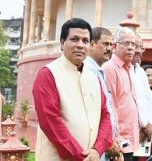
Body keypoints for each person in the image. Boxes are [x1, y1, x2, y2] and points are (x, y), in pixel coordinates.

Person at [32, 18, 112, 161]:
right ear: (62, 43)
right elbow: (50, 121)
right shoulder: (48, 74)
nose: (80, 45)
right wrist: (79, 155)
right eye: (75, 39)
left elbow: (105, 115)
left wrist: (97, 150)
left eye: (85, 41)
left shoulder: (93, 76)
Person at [84, 27, 122, 160]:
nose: (110, 48)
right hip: (92, 148)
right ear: (92, 45)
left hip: (103, 145)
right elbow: (94, 113)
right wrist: (109, 143)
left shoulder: (99, 72)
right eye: (105, 44)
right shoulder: (86, 72)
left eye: (111, 45)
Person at [102, 27, 140, 161]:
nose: (131, 48)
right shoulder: (109, 69)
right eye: (126, 43)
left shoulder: (129, 68)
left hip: (131, 141)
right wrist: (114, 141)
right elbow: (109, 107)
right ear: (114, 46)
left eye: (133, 44)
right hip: (119, 143)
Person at [130, 36, 152, 143]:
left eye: (141, 48)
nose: (139, 51)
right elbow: (135, 101)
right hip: (128, 131)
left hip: (144, 128)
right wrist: (145, 126)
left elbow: (148, 99)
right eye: (135, 46)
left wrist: (148, 124)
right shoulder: (123, 70)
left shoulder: (140, 72)